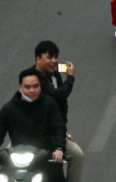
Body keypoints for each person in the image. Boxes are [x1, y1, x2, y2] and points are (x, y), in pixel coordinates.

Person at [0, 69, 64, 171]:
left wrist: (59, 148)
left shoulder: (50, 104)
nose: (32, 90)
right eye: (27, 87)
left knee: (76, 155)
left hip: (45, 155)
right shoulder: (8, 108)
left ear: (40, 87)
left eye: (36, 86)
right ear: (20, 88)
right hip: (17, 155)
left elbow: (58, 128)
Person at [33, 41, 84, 182]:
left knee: (77, 155)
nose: (54, 61)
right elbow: (59, 95)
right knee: (7, 157)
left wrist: (63, 130)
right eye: (49, 57)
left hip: (54, 131)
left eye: (56, 57)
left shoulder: (54, 73)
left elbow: (61, 103)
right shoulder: (34, 80)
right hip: (31, 130)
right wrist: (71, 77)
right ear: (38, 59)